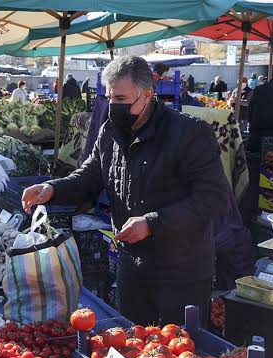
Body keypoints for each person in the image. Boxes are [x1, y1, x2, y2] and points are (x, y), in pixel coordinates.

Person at [21, 56, 228, 326]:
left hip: (181, 269)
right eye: (109, 98)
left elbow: (213, 197)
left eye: (121, 99)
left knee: (182, 354)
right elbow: (90, 175)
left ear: (148, 95)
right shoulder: (110, 130)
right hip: (132, 264)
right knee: (134, 343)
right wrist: (51, 189)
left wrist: (153, 223)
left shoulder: (190, 133)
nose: (113, 106)